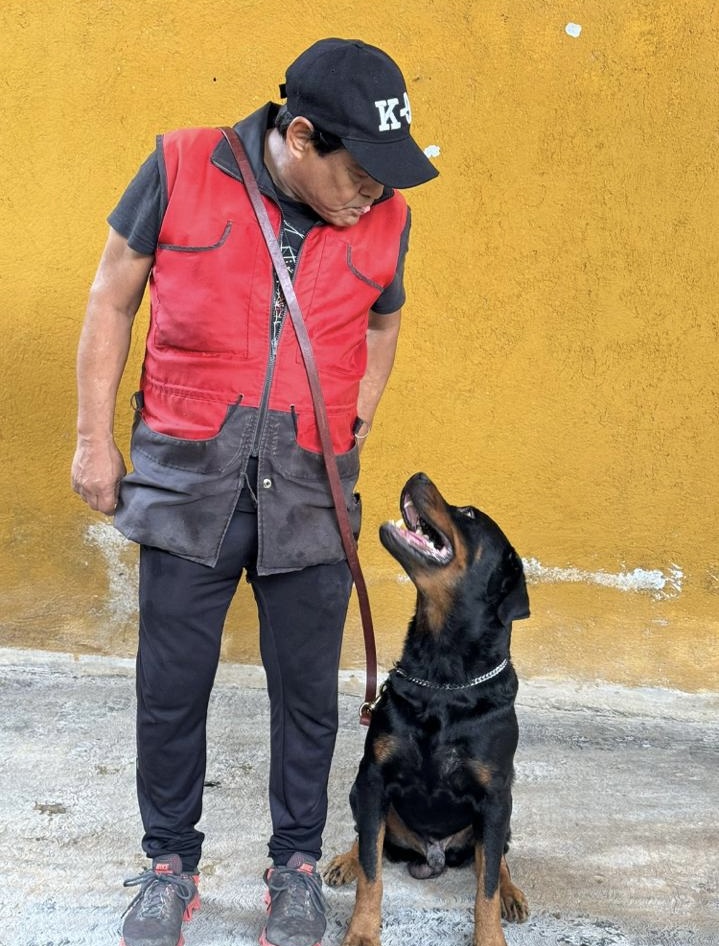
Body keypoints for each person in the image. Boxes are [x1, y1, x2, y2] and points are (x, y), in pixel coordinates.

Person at [71, 37, 437, 946]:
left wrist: (354, 417)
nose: (373, 194)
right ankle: (168, 866)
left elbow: (384, 322)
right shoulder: (179, 164)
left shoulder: (385, 219)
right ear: (301, 137)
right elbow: (111, 297)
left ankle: (297, 867)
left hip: (310, 492)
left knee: (308, 693)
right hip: (187, 483)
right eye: (358, 172)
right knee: (172, 685)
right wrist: (93, 441)